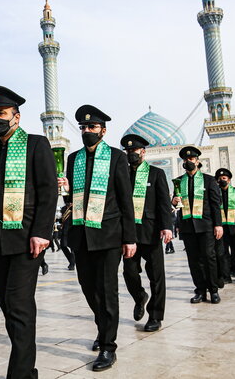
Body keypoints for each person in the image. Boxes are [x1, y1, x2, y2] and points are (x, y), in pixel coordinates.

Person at [0, 85, 58, 379]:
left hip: (26, 239)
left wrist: (42, 232)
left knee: (19, 308)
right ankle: (28, 369)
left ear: (16, 117)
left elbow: (48, 190)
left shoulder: (36, 144)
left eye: (2, 113)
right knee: (9, 309)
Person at [58, 105, 137, 371]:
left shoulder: (115, 157)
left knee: (107, 291)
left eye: (92, 127)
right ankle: (103, 328)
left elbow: (126, 199)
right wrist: (66, 190)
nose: (86, 131)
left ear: (103, 131)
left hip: (108, 235)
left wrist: (130, 238)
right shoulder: (74, 159)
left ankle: (108, 347)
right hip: (81, 235)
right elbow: (72, 198)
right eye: (83, 127)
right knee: (88, 288)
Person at [120, 134, 172, 332]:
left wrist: (166, 226)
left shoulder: (156, 174)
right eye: (128, 150)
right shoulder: (122, 173)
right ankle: (140, 296)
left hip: (150, 232)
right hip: (128, 234)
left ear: (143, 152)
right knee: (129, 272)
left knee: (156, 276)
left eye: (135, 150)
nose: (131, 153)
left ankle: (155, 315)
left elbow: (163, 204)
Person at [171, 146, 222, 304]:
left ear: (197, 161)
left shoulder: (208, 180)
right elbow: (176, 203)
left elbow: (215, 204)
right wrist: (173, 202)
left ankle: (213, 290)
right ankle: (200, 290)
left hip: (206, 225)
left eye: (191, 159)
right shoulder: (179, 181)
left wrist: (218, 225)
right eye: (186, 160)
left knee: (209, 257)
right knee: (194, 260)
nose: (188, 162)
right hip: (188, 227)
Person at [58, 203, 76, 270]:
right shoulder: (63, 208)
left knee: (72, 248)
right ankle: (72, 261)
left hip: (72, 230)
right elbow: (61, 219)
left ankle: (72, 264)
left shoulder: (75, 207)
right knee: (63, 246)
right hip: (64, 230)